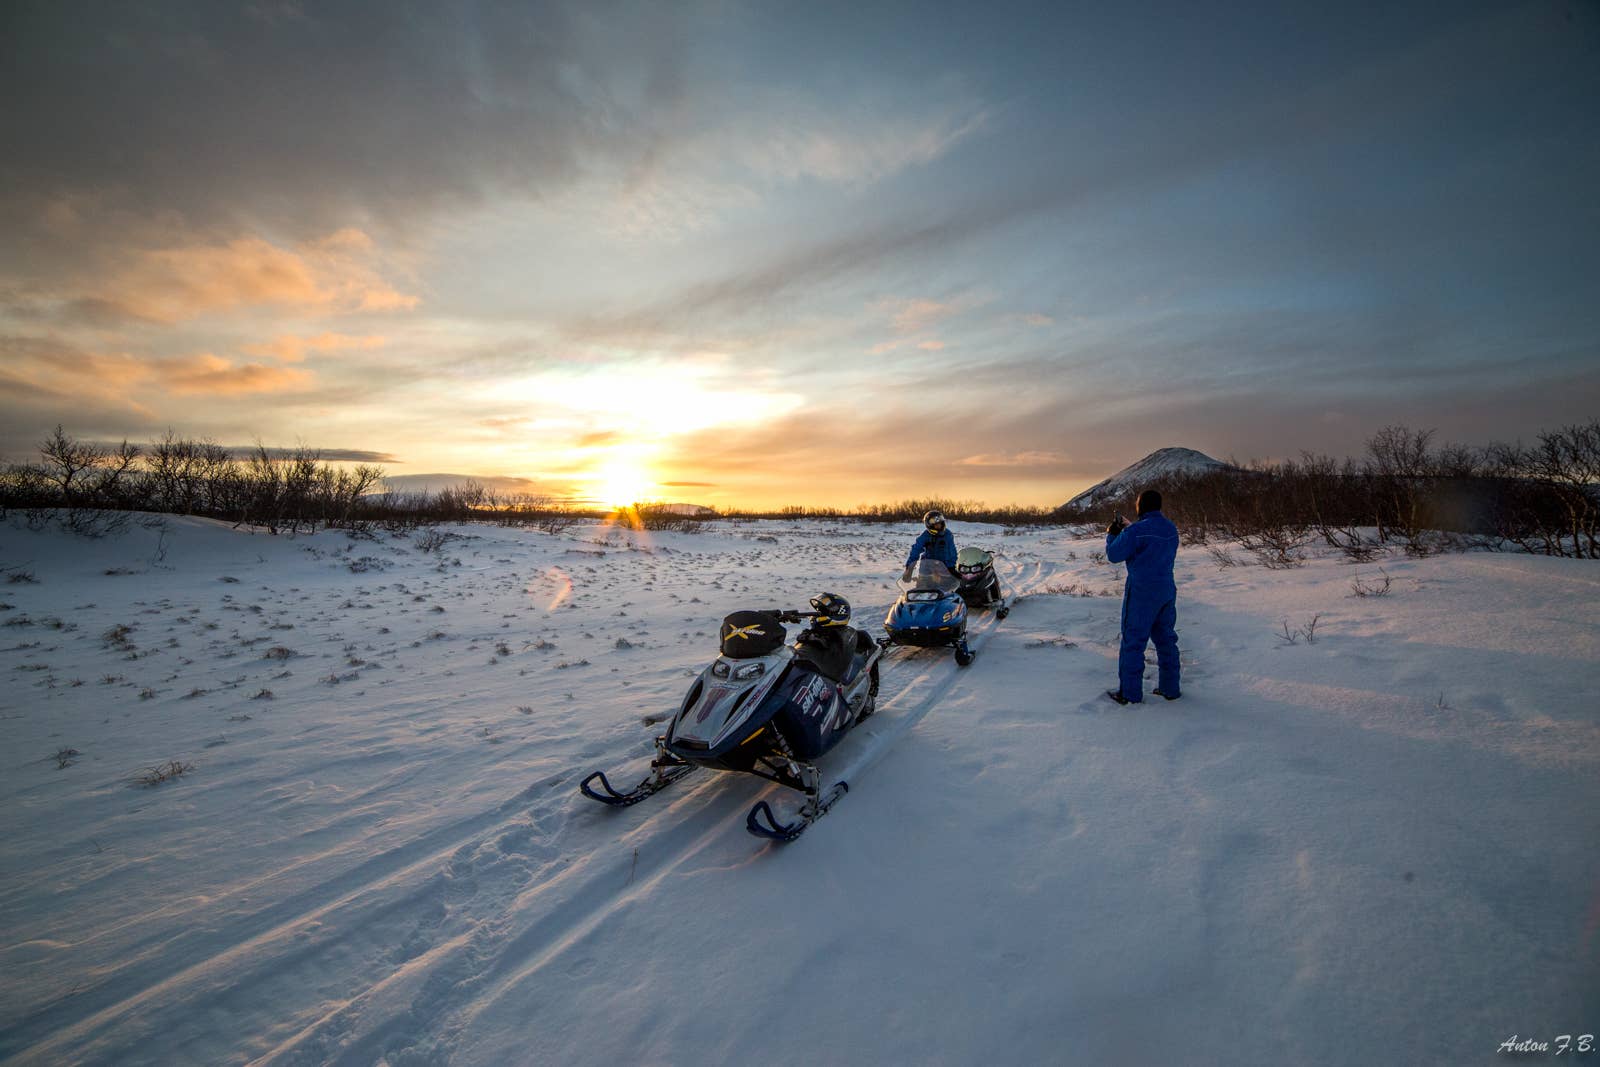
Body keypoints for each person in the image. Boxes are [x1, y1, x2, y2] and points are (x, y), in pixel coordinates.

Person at [1104, 489, 1181, 705]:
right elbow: (1152, 544)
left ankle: (1129, 694)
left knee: (1133, 643)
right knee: (1166, 640)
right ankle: (1170, 689)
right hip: (1166, 590)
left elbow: (1113, 555)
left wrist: (1113, 533)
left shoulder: (1136, 531)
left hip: (1141, 592)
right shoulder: (1170, 528)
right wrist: (1130, 530)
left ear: (1141, 506)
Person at [903, 509, 957, 581]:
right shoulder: (926, 535)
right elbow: (916, 549)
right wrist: (909, 568)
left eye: (940, 523)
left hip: (944, 567)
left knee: (947, 587)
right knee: (923, 586)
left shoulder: (947, 535)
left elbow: (951, 551)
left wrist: (951, 567)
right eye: (935, 524)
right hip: (927, 567)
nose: (938, 526)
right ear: (929, 525)